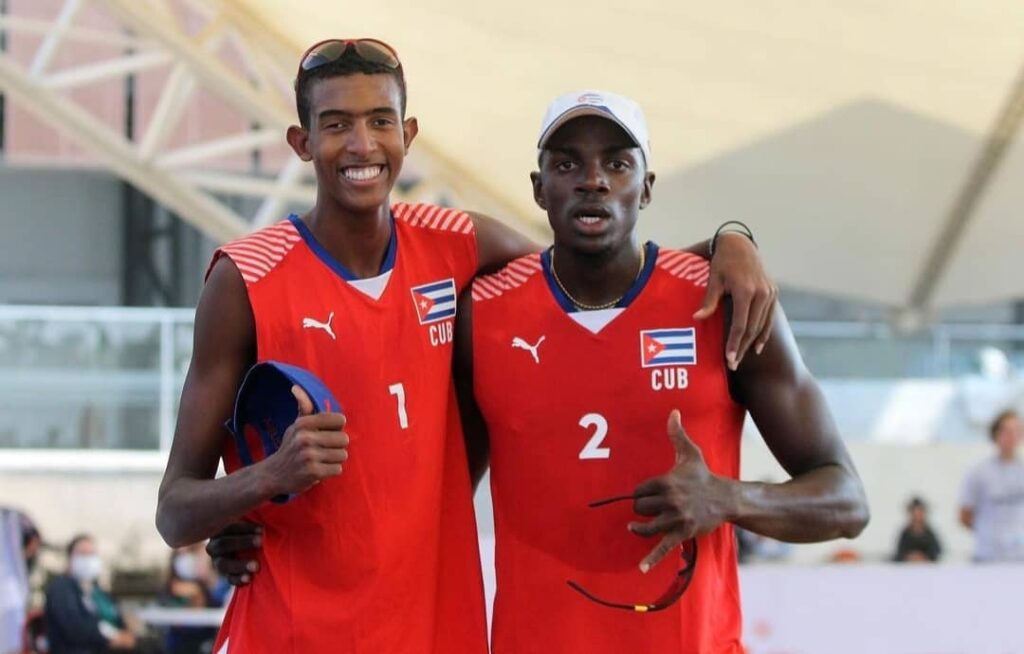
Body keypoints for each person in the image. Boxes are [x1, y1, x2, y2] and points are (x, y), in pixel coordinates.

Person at [157, 39, 776, 653]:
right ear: (301, 142)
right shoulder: (246, 279)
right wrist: (266, 479)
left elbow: (592, 271)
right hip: (291, 633)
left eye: (381, 121)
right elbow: (175, 512)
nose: (362, 145)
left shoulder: (458, 243)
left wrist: (727, 243)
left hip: (435, 631)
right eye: (337, 124)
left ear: (408, 135)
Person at [452, 90, 869, 653]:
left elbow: (847, 501)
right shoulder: (481, 317)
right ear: (539, 189)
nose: (593, 180)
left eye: (617, 164)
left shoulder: (724, 303)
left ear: (646, 187)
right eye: (567, 164)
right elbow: (440, 499)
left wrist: (729, 499)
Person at [43, 534, 137, 654]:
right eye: (83, 554)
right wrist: (111, 639)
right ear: (70, 558)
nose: (88, 559)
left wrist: (125, 634)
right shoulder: (61, 588)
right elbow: (75, 627)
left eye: (92, 554)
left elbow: (115, 617)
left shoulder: (97, 591)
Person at [959, 409, 1024, 562]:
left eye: (1016, 430)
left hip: (1020, 556)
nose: (1012, 436)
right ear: (996, 434)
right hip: (988, 556)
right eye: (1007, 431)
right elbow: (965, 515)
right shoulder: (979, 472)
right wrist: (988, 532)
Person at [159, 544, 220, 654]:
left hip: (204, 641)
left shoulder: (206, 588)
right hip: (178, 644)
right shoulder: (168, 590)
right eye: (181, 555)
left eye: (190, 553)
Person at [893, 496, 941, 562]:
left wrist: (923, 557)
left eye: (919, 511)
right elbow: (899, 553)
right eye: (914, 512)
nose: (917, 515)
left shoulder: (929, 533)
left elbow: (936, 551)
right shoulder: (905, 533)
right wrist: (910, 556)